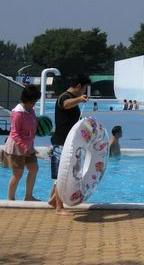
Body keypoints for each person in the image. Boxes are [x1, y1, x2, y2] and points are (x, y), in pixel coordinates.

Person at [49, 73, 91, 216]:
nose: (84, 92)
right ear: (79, 86)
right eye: (84, 88)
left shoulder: (71, 98)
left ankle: (53, 200)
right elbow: (65, 105)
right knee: (62, 176)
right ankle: (59, 208)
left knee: (61, 174)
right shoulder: (65, 97)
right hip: (61, 142)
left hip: (66, 142)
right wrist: (79, 99)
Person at [4, 84, 42, 201]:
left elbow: (33, 125)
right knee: (18, 174)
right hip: (16, 146)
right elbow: (14, 133)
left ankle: (28, 196)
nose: (35, 103)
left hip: (28, 146)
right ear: (28, 100)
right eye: (34, 101)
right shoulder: (18, 113)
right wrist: (23, 146)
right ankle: (11, 199)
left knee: (34, 169)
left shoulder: (30, 110)